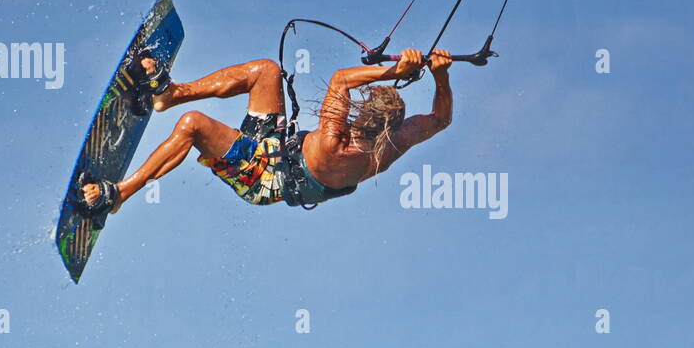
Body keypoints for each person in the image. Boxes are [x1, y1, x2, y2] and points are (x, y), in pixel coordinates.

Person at [75, 47, 454, 213]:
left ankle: (121, 194)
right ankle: (171, 94)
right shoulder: (396, 143)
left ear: (362, 120)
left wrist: (396, 72)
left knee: (193, 127)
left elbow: (340, 80)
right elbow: (440, 120)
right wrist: (440, 75)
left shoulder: (336, 142)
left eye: (362, 115)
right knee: (266, 71)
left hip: (264, 177)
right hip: (274, 147)